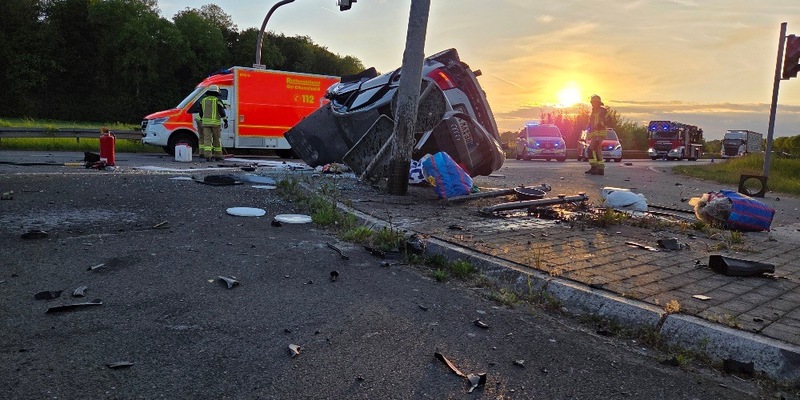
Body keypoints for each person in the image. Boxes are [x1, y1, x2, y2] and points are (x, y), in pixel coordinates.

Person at [199, 85, 228, 162]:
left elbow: (201, 113)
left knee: (207, 140)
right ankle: (218, 155)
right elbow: (222, 112)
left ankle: (208, 156)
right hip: (215, 124)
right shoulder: (217, 100)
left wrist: (203, 119)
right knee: (217, 139)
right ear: (217, 92)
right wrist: (225, 120)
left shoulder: (203, 101)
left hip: (205, 124)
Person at [586, 94, 608, 175]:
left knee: (594, 148)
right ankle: (597, 168)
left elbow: (609, 120)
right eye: (591, 102)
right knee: (594, 149)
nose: (592, 104)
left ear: (597, 103)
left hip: (600, 133)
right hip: (594, 133)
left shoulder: (603, 110)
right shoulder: (593, 111)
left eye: (593, 102)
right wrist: (589, 125)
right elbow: (592, 122)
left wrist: (600, 124)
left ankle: (598, 168)